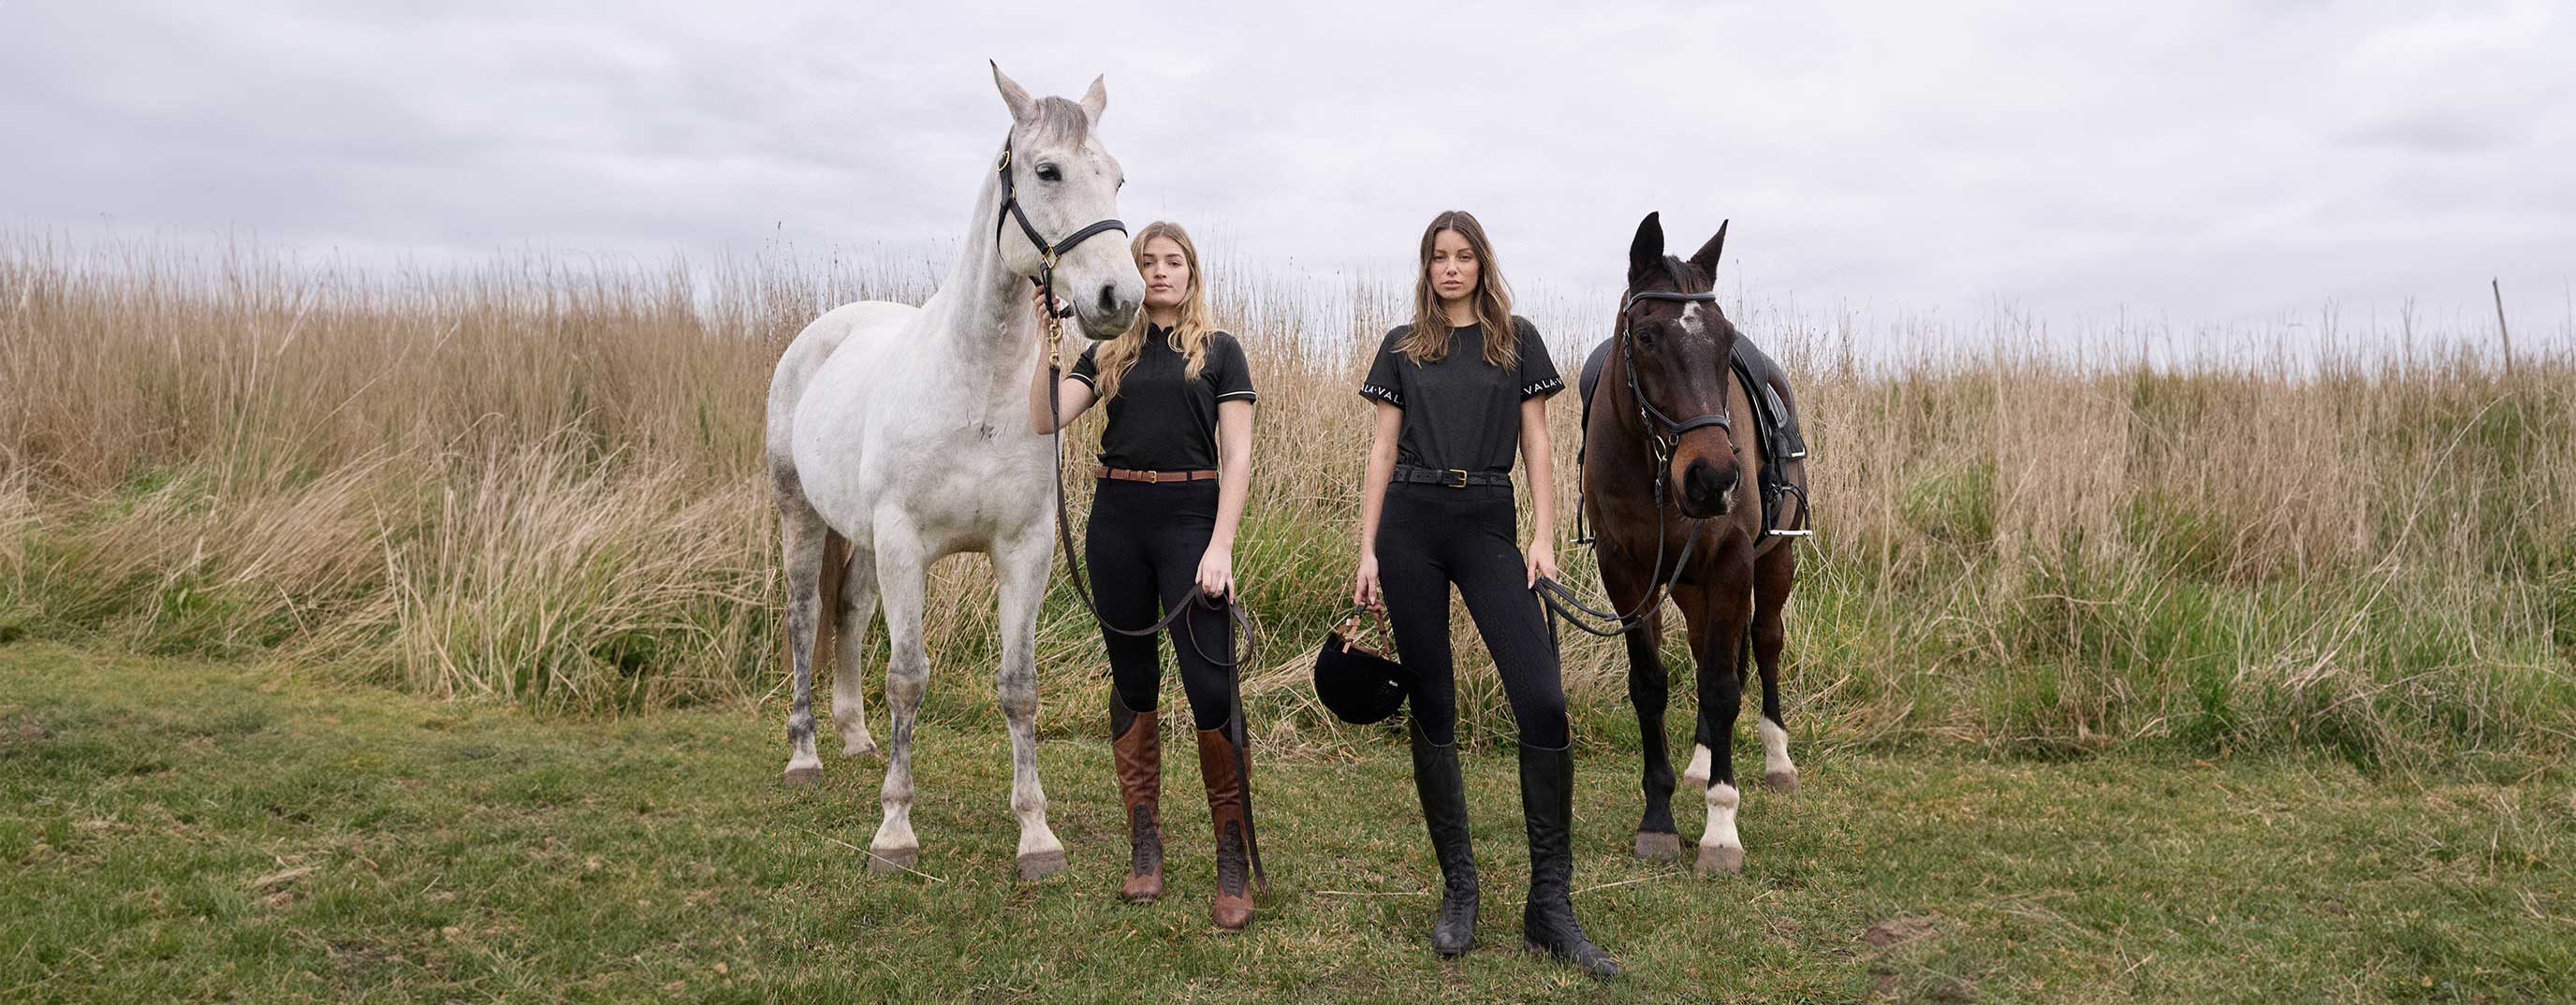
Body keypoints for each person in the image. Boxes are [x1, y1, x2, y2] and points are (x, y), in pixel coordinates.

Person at [1352, 210, 1617, 975]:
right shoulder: (1402, 347)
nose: (1451, 268)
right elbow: (1381, 447)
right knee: (1433, 699)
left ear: (1482, 263)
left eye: (1464, 256)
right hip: (1410, 524)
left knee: (1541, 697)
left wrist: (1541, 535)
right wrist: (1367, 547)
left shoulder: (1516, 339)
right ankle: (1460, 889)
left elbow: (1537, 439)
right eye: (1439, 256)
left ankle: (1549, 907)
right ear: (1426, 267)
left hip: (1489, 521)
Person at [1028, 221, 1263, 930]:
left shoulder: (1220, 353)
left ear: (1192, 271)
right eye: (1148, 263)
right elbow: (1043, 420)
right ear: (1133, 274)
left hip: (1192, 520)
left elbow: (1240, 458)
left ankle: (1232, 856)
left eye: (1173, 262)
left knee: (1208, 685)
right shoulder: (1105, 351)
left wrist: (1220, 546)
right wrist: (1043, 345)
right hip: (1116, 522)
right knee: (1133, 683)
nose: (1160, 273)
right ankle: (1145, 845)